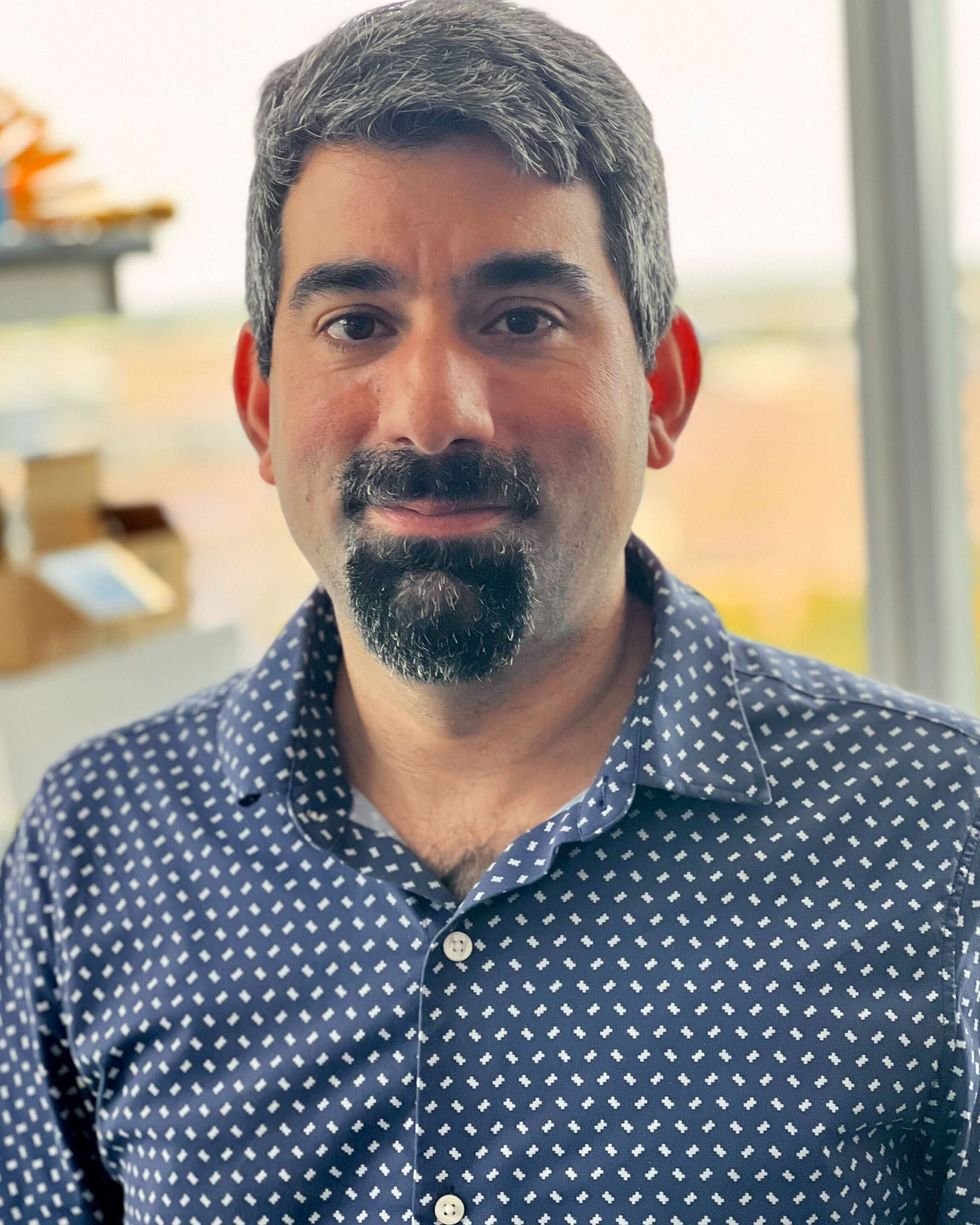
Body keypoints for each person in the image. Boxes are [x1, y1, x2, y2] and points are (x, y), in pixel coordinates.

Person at [1, 0, 978, 1219]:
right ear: (259, 404)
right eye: (355, 323)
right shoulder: (91, 854)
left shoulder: (943, 839)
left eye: (521, 319)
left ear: (661, 388)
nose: (431, 411)